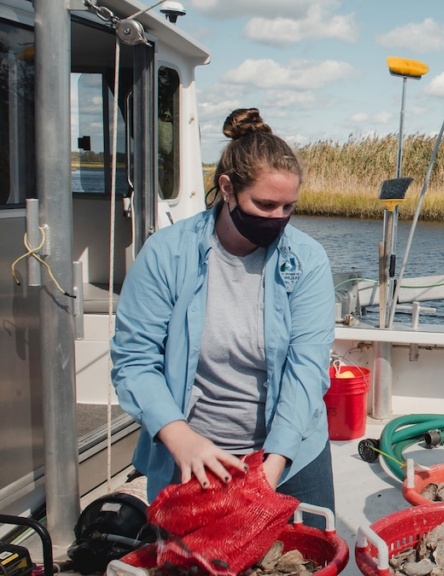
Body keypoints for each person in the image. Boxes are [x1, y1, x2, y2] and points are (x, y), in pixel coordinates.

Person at [110, 108, 336, 521]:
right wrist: (179, 436)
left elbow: (308, 368)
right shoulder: (167, 253)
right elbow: (135, 359)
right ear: (228, 189)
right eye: (265, 205)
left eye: (289, 208)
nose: (278, 219)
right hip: (196, 455)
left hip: (291, 453)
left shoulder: (308, 260)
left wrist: (276, 460)